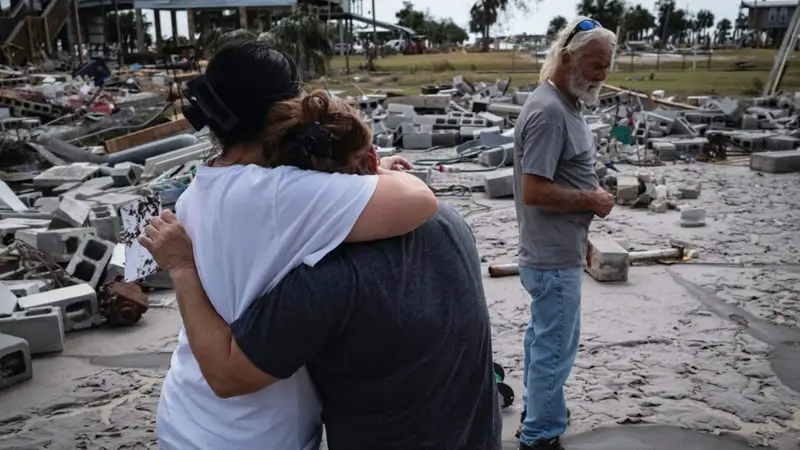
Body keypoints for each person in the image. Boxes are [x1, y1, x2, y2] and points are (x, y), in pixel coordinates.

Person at [141, 95, 501, 450]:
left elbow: (226, 375)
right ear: (373, 159)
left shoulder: (325, 281)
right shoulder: (447, 220)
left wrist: (182, 266)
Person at [512, 17, 617, 450]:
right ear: (568, 57)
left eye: (607, 66)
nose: (602, 75)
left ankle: (540, 413)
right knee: (555, 349)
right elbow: (533, 191)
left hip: (557, 250)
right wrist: (591, 200)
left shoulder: (565, 104)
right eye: (595, 64)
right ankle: (539, 436)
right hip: (551, 259)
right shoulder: (550, 112)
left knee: (544, 342)